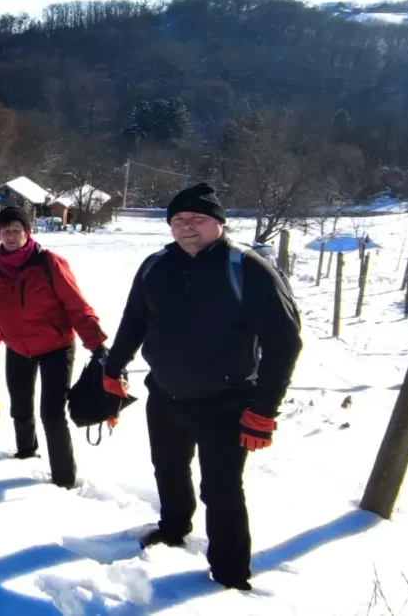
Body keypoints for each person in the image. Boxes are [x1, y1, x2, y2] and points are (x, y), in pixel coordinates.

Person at [102, 182, 301, 591]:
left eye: (198, 219)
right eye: (178, 220)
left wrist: (264, 409)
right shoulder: (155, 266)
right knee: (169, 468)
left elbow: (285, 341)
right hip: (166, 392)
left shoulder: (245, 267)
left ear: (219, 223)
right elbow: (134, 321)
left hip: (226, 401)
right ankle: (174, 528)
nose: (187, 227)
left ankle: (229, 572)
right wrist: (114, 366)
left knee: (222, 488)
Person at [0, 206, 108, 488]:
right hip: (17, 347)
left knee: (52, 413)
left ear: (28, 233)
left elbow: (77, 306)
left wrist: (97, 344)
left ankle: (64, 479)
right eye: (5, 231)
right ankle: (26, 453)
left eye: (17, 230)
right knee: (21, 407)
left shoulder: (49, 263)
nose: (11, 236)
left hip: (55, 347)